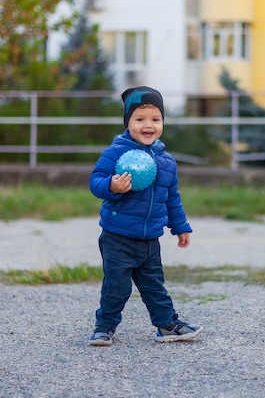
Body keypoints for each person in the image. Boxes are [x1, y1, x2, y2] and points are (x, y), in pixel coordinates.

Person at [88, 86, 202, 346]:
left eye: (155, 119)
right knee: (116, 287)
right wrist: (112, 187)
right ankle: (104, 327)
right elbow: (96, 181)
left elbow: (171, 197)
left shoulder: (166, 162)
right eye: (139, 119)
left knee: (154, 286)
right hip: (118, 237)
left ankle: (166, 325)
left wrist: (180, 226)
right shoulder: (116, 153)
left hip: (150, 239)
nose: (148, 125)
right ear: (128, 123)